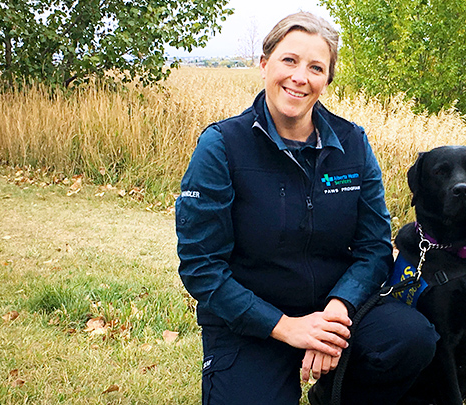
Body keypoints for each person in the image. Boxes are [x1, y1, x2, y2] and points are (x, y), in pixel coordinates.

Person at [175, 12, 438, 405]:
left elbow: (373, 249)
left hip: (335, 310)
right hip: (251, 322)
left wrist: (335, 312)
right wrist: (287, 328)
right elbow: (202, 267)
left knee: (411, 339)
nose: (300, 77)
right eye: (289, 60)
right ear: (264, 65)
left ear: (327, 79)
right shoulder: (221, 146)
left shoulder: (353, 143)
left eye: (316, 67)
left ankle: (332, 394)